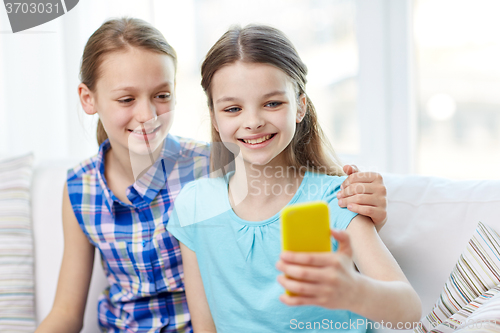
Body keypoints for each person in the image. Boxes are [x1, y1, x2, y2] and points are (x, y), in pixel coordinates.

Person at [36, 18, 389, 333]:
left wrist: (362, 205)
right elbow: (66, 313)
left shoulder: (213, 161)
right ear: (88, 98)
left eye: (161, 95)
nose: (146, 114)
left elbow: (284, 176)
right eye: (126, 99)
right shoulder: (80, 188)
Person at [167, 24, 421, 333]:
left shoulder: (336, 198)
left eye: (272, 103)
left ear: (300, 106)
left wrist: (354, 290)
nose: (253, 121)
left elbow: (409, 310)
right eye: (233, 108)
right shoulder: (194, 205)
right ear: (216, 119)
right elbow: (205, 326)